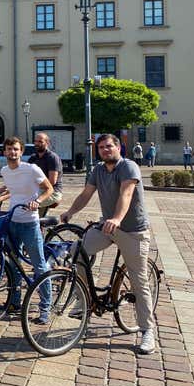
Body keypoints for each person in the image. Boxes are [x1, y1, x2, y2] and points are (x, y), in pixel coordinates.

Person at [61, 133, 156, 354]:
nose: (105, 150)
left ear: (119, 148)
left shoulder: (129, 167)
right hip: (107, 228)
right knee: (76, 252)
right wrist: (70, 211)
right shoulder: (98, 170)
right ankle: (84, 300)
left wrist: (117, 219)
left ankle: (147, 330)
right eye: (101, 147)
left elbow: (127, 193)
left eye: (109, 146)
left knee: (138, 280)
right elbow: (86, 194)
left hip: (132, 231)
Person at [0, 137, 54, 319]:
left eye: (15, 149)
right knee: (14, 265)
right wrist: (1, 194)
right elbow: (15, 188)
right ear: (4, 152)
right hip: (12, 222)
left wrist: (37, 201)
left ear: (21, 152)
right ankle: (15, 302)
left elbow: (49, 189)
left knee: (39, 266)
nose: (12, 152)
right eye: (9, 149)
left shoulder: (32, 169)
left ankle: (45, 308)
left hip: (30, 223)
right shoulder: (4, 171)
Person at [27, 132, 63, 216]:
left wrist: (33, 186)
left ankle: (39, 226)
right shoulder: (33, 157)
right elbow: (26, 175)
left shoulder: (52, 157)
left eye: (40, 141)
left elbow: (52, 182)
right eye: (35, 141)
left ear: (47, 143)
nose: (37, 144)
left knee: (26, 205)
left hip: (53, 192)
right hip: (38, 190)